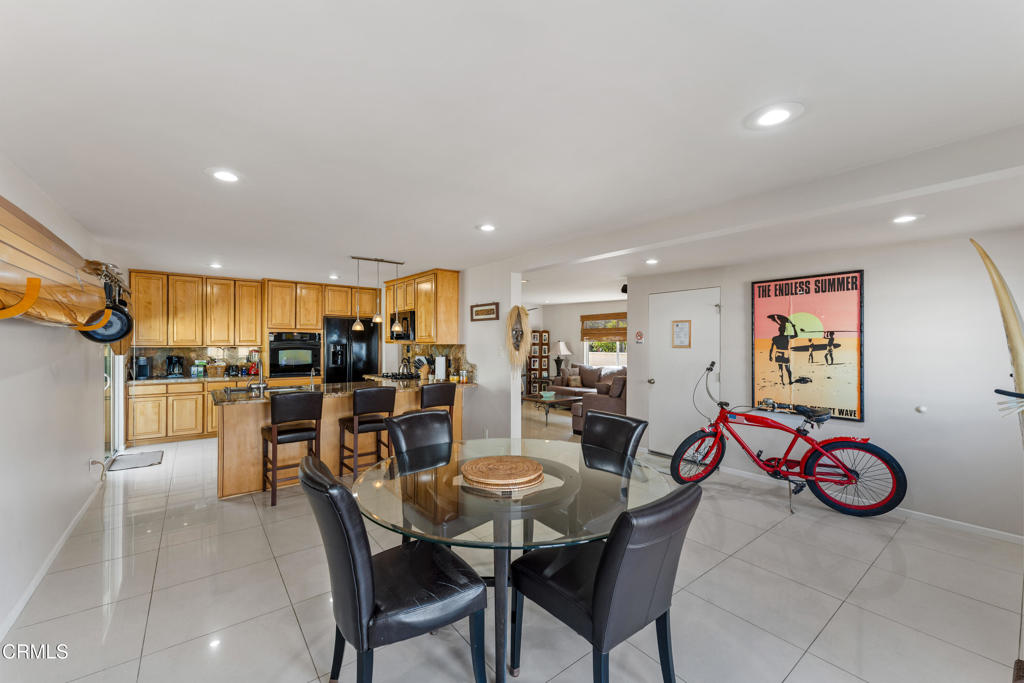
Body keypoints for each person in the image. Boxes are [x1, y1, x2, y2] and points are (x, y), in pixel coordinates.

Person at [768, 317, 797, 385]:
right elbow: (796, 335)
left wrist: (770, 356)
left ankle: (782, 382)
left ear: (779, 330)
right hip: (785, 354)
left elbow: (771, 348)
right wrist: (793, 327)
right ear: (784, 331)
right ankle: (790, 381)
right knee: (788, 369)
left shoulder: (775, 338)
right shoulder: (787, 337)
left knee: (780, 369)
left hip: (778, 354)